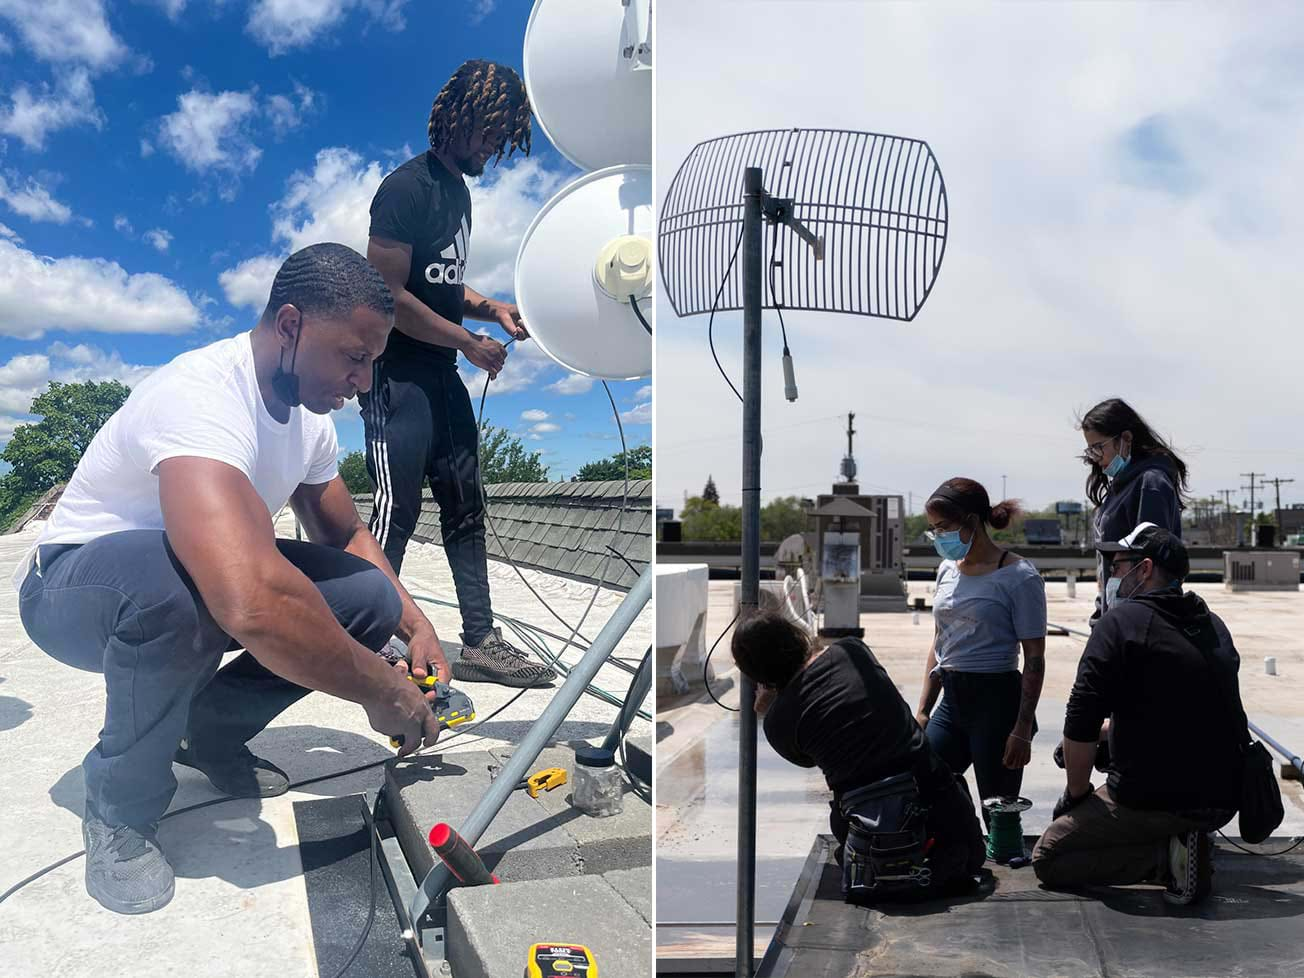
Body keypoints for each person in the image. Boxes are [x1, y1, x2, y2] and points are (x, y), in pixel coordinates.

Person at [17, 244, 451, 916]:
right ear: (289, 326)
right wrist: (380, 688)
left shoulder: (309, 418)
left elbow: (343, 536)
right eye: (353, 357)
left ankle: (209, 733)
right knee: (185, 590)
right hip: (71, 588)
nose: (364, 381)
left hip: (184, 580)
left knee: (365, 598)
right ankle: (120, 809)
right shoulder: (201, 395)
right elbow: (247, 602)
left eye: (373, 361)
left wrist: (415, 625)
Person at [361, 59, 554, 689]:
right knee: (397, 509)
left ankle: (480, 641)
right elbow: (387, 293)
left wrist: (490, 307)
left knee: (467, 504)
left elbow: (440, 284)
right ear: (458, 118)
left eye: (502, 139)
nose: (494, 148)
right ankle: (367, 634)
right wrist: (471, 342)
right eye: (489, 134)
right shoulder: (406, 188)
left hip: (441, 370)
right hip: (395, 372)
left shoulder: (460, 193)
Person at [1032, 523, 1244, 905]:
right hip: (1223, 795)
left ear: (1143, 569)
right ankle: (1182, 837)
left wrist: (1077, 794)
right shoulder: (1211, 623)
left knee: (1051, 855)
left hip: (1155, 795)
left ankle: (1166, 860)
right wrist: (1106, 733)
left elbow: (1079, 718)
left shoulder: (1121, 622)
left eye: (1116, 566)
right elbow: (1179, 710)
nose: (1112, 575)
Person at [736, 610, 985, 902]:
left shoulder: (777, 724)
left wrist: (774, 706)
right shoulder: (852, 651)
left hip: (869, 840)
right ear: (795, 635)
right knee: (969, 849)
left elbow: (807, 759)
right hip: (943, 815)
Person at [915, 479, 1047, 860]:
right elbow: (939, 643)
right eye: (934, 528)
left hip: (997, 701)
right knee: (927, 779)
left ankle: (1005, 873)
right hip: (953, 702)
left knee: (999, 811)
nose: (938, 536)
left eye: (943, 527)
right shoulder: (946, 571)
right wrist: (924, 709)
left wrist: (1022, 727)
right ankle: (964, 849)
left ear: (971, 521)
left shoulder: (1018, 576)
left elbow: (1034, 658)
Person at [1079, 398, 1187, 620]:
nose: (1095, 457)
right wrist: (1103, 613)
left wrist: (1128, 627)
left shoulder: (1150, 484)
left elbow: (1153, 572)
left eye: (1099, 447)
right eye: (1091, 450)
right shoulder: (1119, 488)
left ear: (1126, 439)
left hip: (1138, 623)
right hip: (1118, 619)